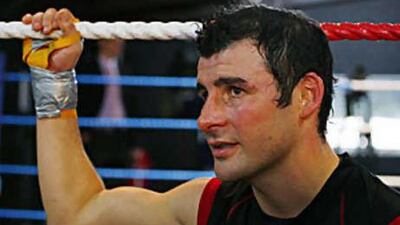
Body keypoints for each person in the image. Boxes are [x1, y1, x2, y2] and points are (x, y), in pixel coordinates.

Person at [21, 4, 400, 225]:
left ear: (307, 95)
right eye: (206, 94)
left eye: (235, 91)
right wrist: (53, 77)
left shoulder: (380, 217)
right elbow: (78, 214)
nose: (205, 119)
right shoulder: (209, 206)